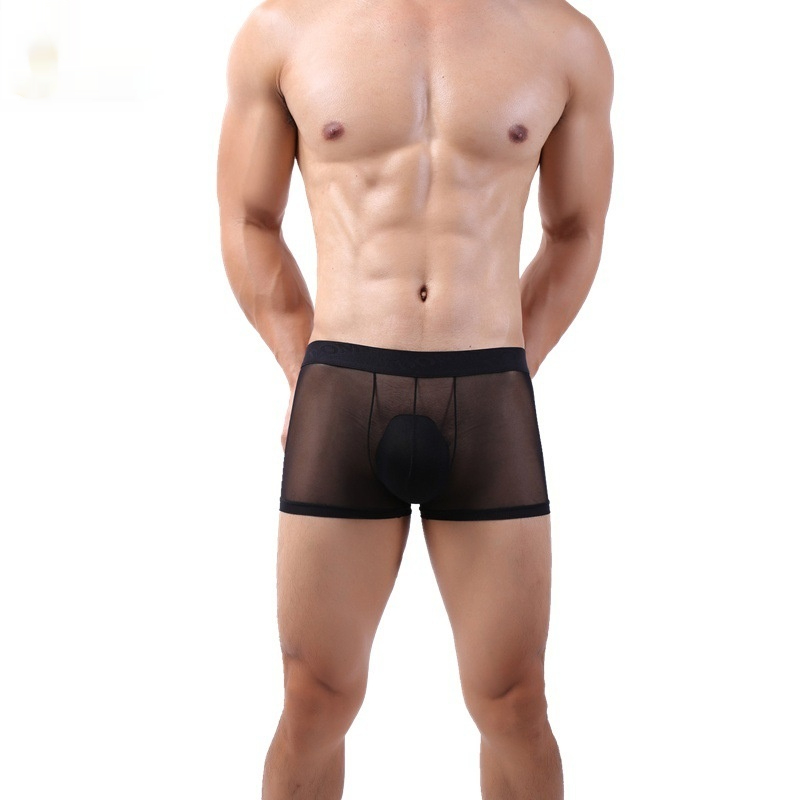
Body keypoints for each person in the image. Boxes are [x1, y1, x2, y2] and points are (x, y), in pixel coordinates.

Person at [216, 0, 613, 796]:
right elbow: (250, 218)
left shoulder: (563, 40)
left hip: (490, 396)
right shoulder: (285, 30)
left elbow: (576, 229)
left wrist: (514, 364)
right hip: (342, 392)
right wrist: (302, 366)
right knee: (314, 701)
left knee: (514, 704)